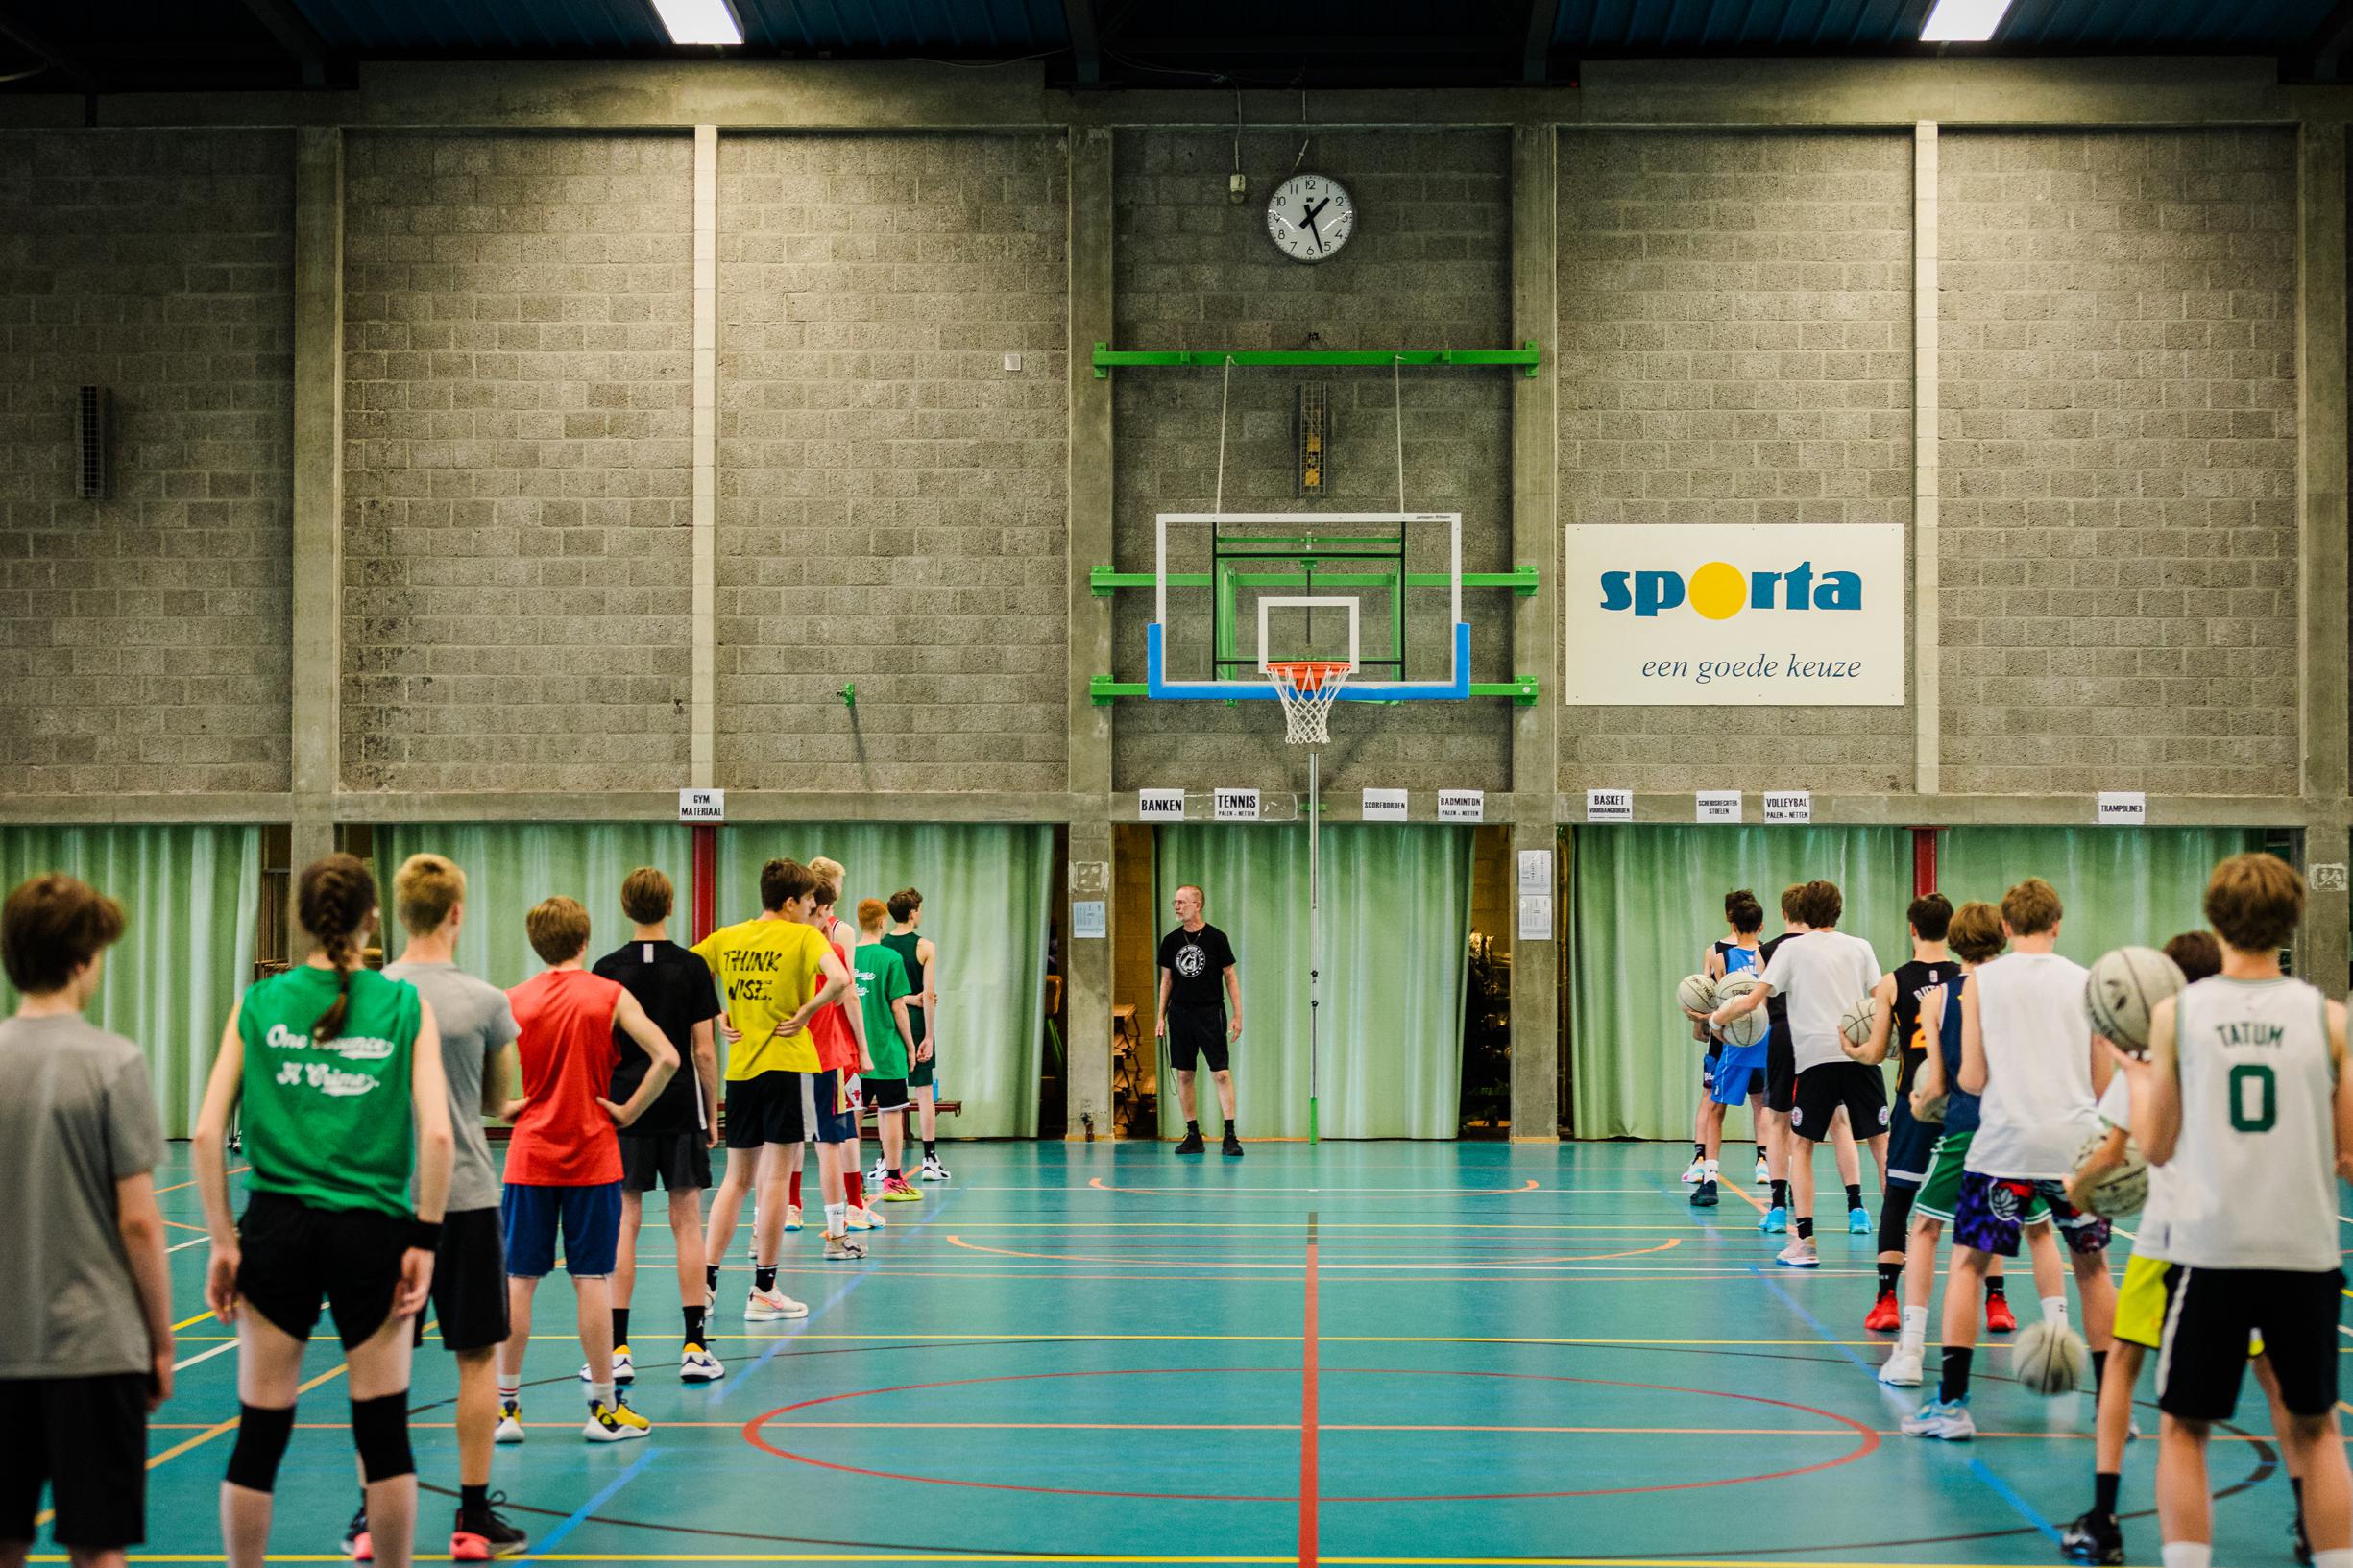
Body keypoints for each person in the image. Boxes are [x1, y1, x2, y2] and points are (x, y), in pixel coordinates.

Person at [192, 855, 456, 1568]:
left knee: (260, 1430)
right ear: (374, 919)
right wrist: (425, 1240)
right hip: (372, 1231)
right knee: (383, 1432)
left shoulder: (260, 1003)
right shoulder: (404, 1006)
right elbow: (437, 1132)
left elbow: (209, 1131)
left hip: (275, 1227)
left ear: (303, 921)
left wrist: (222, 1240)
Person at [2112, 855, 2353, 1568]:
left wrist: (2137, 1078)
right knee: (2317, 1430)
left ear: (2215, 920)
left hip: (2211, 1246)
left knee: (2185, 1429)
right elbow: (2349, 1154)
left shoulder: (2176, 1013)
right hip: (2304, 1250)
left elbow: (2155, 1146)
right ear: (2293, 921)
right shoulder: (2331, 1018)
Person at [2059, 928, 2310, 1565]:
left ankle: (2104, 1515)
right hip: (2251, 1237)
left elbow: (2114, 1152)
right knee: (2277, 1380)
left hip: (2172, 1241)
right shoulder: (2265, 1041)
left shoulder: (2157, 1056)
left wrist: (2078, 1186)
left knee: (2125, 1365)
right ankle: (2313, 1515)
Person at [349, 855, 524, 1561]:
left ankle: (369, 1518)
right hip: (466, 1197)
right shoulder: (485, 1000)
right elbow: (491, 1103)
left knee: (377, 1363)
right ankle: (473, 1517)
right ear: (457, 912)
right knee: (477, 1356)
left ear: (399, 914)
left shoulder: (369, 994)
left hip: (384, 1199)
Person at [0, 874, 172, 1568]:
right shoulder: (114, 1062)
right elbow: (139, 1222)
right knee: (97, 1545)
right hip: (97, 1349)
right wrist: (159, 1343)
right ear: (82, 959)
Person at [1903, 877, 2114, 1441]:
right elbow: (2101, 1081)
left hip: (2003, 1146)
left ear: (2005, 927)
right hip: (2074, 1147)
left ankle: (1952, 1406)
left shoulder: (1981, 985)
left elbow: (1972, 1078)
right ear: (2057, 923)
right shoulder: (2088, 981)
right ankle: (2113, 1412)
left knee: (1968, 1265)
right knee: (2093, 1269)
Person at [493, 897, 679, 1444]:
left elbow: (487, 1065)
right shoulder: (609, 995)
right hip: (595, 1154)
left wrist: (502, 1104)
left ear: (536, 943)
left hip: (529, 1156)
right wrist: (627, 1111)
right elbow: (666, 1056)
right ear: (584, 939)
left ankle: (506, 1411)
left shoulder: (514, 999)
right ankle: (602, 1410)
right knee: (591, 1278)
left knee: (518, 1281)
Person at [696, 858, 852, 1321]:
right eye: (809, 903)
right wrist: (808, 1010)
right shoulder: (804, 936)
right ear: (790, 903)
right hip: (789, 1067)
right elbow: (841, 982)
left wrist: (717, 1012)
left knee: (736, 1179)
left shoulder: (727, 937)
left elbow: (687, 970)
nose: (813, 911)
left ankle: (704, 1284)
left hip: (741, 1071)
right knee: (777, 1181)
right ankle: (764, 1290)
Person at [591, 867, 724, 1386]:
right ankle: (694, 1346)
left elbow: (601, 1047)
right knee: (687, 1222)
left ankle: (618, 1350)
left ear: (626, 907)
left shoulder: (606, 968)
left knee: (625, 1222)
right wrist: (711, 1114)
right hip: (678, 1105)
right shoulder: (692, 967)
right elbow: (704, 1052)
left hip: (625, 1108)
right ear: (670, 906)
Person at [1710, 879, 1883, 1267]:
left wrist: (1716, 1017)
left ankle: (1803, 1241)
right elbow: (1880, 999)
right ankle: (1889, 1234)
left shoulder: (1788, 950)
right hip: (1856, 1054)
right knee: (1878, 1141)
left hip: (1812, 1058)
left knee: (1798, 1143)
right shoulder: (1861, 947)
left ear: (1797, 912)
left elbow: (1753, 1001)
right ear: (1838, 910)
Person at [1877, 900, 2014, 1390]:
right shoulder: (2016, 990)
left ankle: (1912, 1351)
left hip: (1964, 1123)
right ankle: (2018, 1312)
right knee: (2024, 1236)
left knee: (1925, 1226)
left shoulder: (1941, 996)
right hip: (2018, 1132)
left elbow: (1946, 1081)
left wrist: (1920, 1100)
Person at [1844, 893, 1955, 1331]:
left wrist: (1849, 1047)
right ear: (1949, 929)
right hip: (1961, 1104)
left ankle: (1887, 1299)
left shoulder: (1893, 983)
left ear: (1912, 928)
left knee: (1899, 1197)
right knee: (1972, 1198)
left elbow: (1874, 1054)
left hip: (1914, 1101)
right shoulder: (1965, 979)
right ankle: (1996, 1303)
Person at [801, 860, 872, 1257]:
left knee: (778, 1145)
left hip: (777, 1057)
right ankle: (841, 1224)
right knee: (835, 1138)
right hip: (827, 1050)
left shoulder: (769, 940)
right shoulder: (834, 938)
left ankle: (767, 1226)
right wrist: (862, 1048)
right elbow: (846, 989)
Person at [1682, 889, 1769, 1207]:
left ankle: (1710, 1178)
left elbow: (1714, 1003)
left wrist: (1703, 1021)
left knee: (1716, 1107)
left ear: (1731, 919)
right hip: (1764, 1040)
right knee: (1768, 1107)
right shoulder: (1770, 955)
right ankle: (1770, 1169)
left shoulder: (1720, 957)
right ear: (1761, 925)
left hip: (1731, 1041)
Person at [1157, 884, 1242, 1156]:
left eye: (1182, 902)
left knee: (1220, 1073)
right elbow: (1167, 980)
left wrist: (1238, 1014)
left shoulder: (1217, 938)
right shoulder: (1171, 941)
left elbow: (1230, 976)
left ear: (1198, 904)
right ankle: (1193, 1134)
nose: (1177, 907)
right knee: (1184, 1074)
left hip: (1210, 1012)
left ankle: (1229, 1135)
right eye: (1175, 902)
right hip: (1180, 1013)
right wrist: (1160, 1016)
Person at [853, 899, 921, 1201]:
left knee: (851, 1116)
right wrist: (910, 1046)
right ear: (882, 923)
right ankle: (893, 1180)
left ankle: (852, 1183)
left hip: (853, 1055)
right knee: (890, 1114)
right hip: (886, 1052)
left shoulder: (845, 956)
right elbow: (898, 1007)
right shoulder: (890, 958)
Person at [883, 888, 948, 1181]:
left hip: (888, 1023)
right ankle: (930, 1159)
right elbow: (928, 994)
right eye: (919, 909)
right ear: (913, 913)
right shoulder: (925, 947)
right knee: (923, 1094)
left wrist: (905, 998)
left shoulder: (880, 944)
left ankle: (886, 1159)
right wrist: (929, 1036)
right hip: (916, 1023)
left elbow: (882, 994)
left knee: (887, 1098)